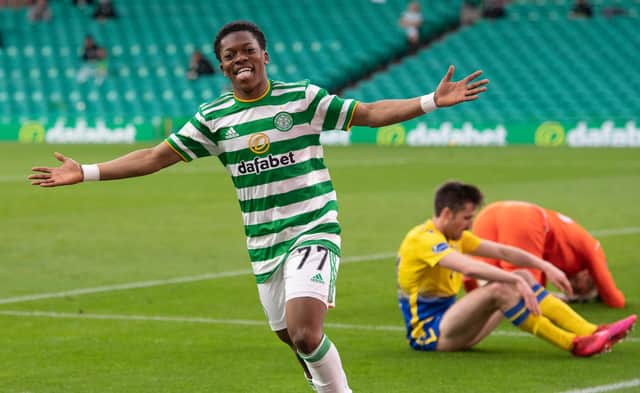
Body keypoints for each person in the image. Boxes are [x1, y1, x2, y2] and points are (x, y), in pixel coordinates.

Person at [29, 21, 489, 393]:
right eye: (229, 56)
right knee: (292, 340)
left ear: (263, 55)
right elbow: (154, 157)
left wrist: (430, 101)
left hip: (312, 227)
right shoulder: (214, 118)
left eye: (247, 50)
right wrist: (86, 171)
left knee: (307, 333)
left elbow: (367, 113)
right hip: (264, 242)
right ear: (223, 67)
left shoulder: (302, 99)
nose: (239, 59)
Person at [396, 181, 636, 356]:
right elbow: (469, 268)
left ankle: (593, 331)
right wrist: (517, 282)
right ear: (447, 213)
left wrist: (545, 266)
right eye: (467, 218)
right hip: (430, 334)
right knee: (503, 287)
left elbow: (503, 252)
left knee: (519, 274)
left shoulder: (455, 237)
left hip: (454, 326)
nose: (470, 225)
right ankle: (574, 344)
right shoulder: (423, 239)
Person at [465, 201, 626, 308]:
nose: (575, 287)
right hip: (525, 217)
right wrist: (612, 298)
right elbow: (613, 297)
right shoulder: (594, 249)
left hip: (489, 214)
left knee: (485, 272)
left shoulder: (567, 258)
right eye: (583, 288)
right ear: (592, 278)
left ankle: (471, 306)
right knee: (524, 290)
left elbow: (539, 264)